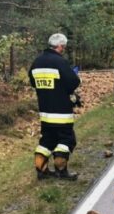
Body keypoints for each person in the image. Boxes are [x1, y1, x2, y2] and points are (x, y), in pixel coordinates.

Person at [29, 33, 81, 180]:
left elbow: (33, 83)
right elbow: (73, 82)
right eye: (63, 47)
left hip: (44, 111)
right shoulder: (60, 62)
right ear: (60, 46)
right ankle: (61, 171)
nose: (63, 49)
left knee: (47, 140)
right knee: (66, 140)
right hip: (61, 112)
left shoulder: (36, 62)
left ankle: (41, 170)